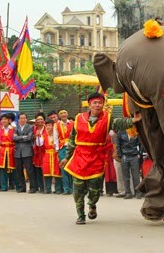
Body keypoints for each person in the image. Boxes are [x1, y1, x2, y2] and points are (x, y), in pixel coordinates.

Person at [60, 93, 142, 225]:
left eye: (100, 103)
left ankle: (92, 204)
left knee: (95, 189)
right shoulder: (79, 119)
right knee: (78, 190)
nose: (97, 105)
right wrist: (66, 157)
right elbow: (71, 140)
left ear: (103, 105)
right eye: (95, 103)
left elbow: (119, 123)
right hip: (79, 157)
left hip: (96, 158)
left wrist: (133, 120)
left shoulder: (108, 119)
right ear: (89, 104)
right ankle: (80, 215)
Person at [116, 128, 142, 199]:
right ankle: (128, 193)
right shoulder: (121, 132)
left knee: (136, 176)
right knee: (126, 176)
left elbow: (140, 143)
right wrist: (120, 155)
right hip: (124, 156)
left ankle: (138, 192)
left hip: (134, 156)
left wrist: (139, 153)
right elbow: (118, 144)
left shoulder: (135, 131)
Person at [13, 112, 37, 193]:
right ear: (18, 119)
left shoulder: (30, 127)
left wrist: (19, 137)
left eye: (24, 118)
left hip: (27, 151)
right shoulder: (15, 128)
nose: (22, 120)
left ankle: (33, 187)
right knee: (19, 170)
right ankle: (22, 187)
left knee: (29, 170)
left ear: (26, 119)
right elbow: (14, 138)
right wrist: (23, 136)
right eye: (21, 118)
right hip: (17, 151)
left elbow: (29, 138)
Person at [0, 113, 19, 191]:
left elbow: (16, 140)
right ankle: (3, 186)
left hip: (11, 150)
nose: (4, 121)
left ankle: (18, 186)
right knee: (2, 169)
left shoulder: (14, 129)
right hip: (2, 150)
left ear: (9, 120)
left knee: (14, 168)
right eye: (2, 119)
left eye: (5, 119)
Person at [55, 109, 74, 195]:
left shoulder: (73, 123)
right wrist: (57, 149)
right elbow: (55, 138)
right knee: (64, 168)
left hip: (72, 147)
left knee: (73, 168)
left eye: (64, 113)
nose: (63, 115)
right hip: (62, 147)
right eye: (61, 113)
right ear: (59, 116)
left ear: (67, 114)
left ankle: (73, 188)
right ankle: (66, 189)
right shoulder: (56, 125)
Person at [41, 118, 62, 194]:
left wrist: (56, 145)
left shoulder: (57, 135)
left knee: (57, 172)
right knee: (47, 172)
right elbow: (40, 144)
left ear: (53, 126)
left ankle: (58, 189)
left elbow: (61, 143)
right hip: (47, 155)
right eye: (47, 125)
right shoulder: (43, 135)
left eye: (50, 125)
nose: (48, 127)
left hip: (55, 154)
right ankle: (48, 189)